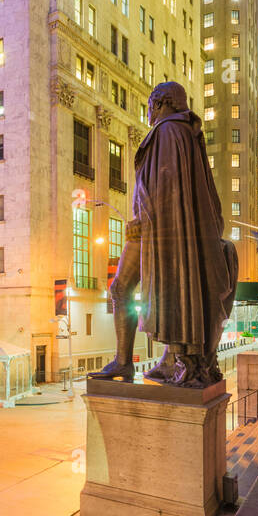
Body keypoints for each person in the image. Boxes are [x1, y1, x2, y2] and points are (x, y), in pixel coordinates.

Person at [94, 81, 238, 387]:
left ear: (161, 104)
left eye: (150, 104)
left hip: (154, 231)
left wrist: (144, 222)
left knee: (120, 288)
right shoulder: (186, 134)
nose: (148, 111)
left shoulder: (167, 131)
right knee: (134, 289)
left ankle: (125, 363)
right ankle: (167, 357)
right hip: (165, 230)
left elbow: (164, 189)